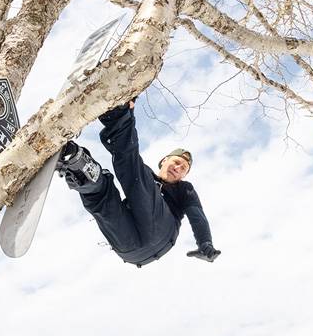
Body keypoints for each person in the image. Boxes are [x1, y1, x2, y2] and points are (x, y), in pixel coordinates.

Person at [57, 100, 219, 268]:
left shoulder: (184, 189)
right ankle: (79, 167)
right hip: (129, 248)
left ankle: (118, 115)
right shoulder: (146, 176)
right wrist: (131, 111)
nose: (178, 168)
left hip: (160, 234)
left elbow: (197, 215)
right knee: (103, 199)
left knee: (131, 165)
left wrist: (205, 243)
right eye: (176, 162)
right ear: (164, 161)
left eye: (183, 168)